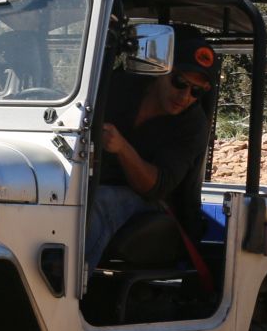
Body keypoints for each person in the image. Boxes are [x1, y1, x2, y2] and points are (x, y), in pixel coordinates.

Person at [84, 23, 216, 264]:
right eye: (180, 82)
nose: (185, 96)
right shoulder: (120, 86)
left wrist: (123, 149)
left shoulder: (192, 124)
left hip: (150, 201)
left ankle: (63, 282)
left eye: (196, 91)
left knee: (97, 202)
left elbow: (156, 187)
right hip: (91, 181)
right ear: (161, 70)